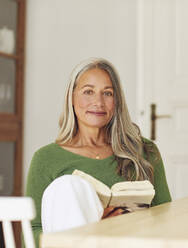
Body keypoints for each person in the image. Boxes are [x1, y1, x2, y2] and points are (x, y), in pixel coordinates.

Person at [25, 58, 172, 247]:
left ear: (117, 101)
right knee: (66, 186)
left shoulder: (145, 151)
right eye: (88, 92)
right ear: (71, 97)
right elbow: (31, 233)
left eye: (107, 93)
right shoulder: (46, 158)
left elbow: (167, 217)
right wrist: (93, 231)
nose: (98, 102)